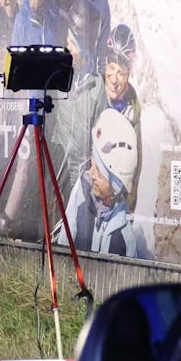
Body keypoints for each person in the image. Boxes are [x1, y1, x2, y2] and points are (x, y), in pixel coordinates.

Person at [60, 108, 149, 258]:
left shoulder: (125, 238)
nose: (91, 174)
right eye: (92, 164)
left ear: (116, 186)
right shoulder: (82, 189)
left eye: (99, 173)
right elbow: (63, 243)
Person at [92, 24, 143, 209]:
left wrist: (126, 211)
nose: (114, 79)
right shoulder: (94, 94)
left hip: (114, 202)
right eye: (111, 68)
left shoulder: (132, 108)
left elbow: (134, 168)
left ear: (129, 74)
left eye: (120, 72)